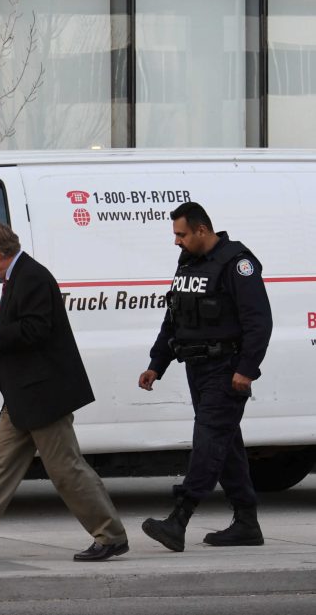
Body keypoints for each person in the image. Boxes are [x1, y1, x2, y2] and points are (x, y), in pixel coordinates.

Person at [0, 220, 128, 562]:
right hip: (23, 396)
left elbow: (36, 329)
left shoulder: (32, 276)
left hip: (44, 396)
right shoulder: (19, 275)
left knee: (66, 469)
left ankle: (110, 536)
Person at [139, 202, 272, 552]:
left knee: (209, 442)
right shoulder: (189, 263)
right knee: (225, 445)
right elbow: (175, 319)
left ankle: (179, 519)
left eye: (181, 234)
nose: (176, 242)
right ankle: (246, 523)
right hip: (196, 368)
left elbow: (259, 321)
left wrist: (246, 369)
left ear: (201, 230)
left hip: (225, 370)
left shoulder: (236, 263)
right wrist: (157, 363)